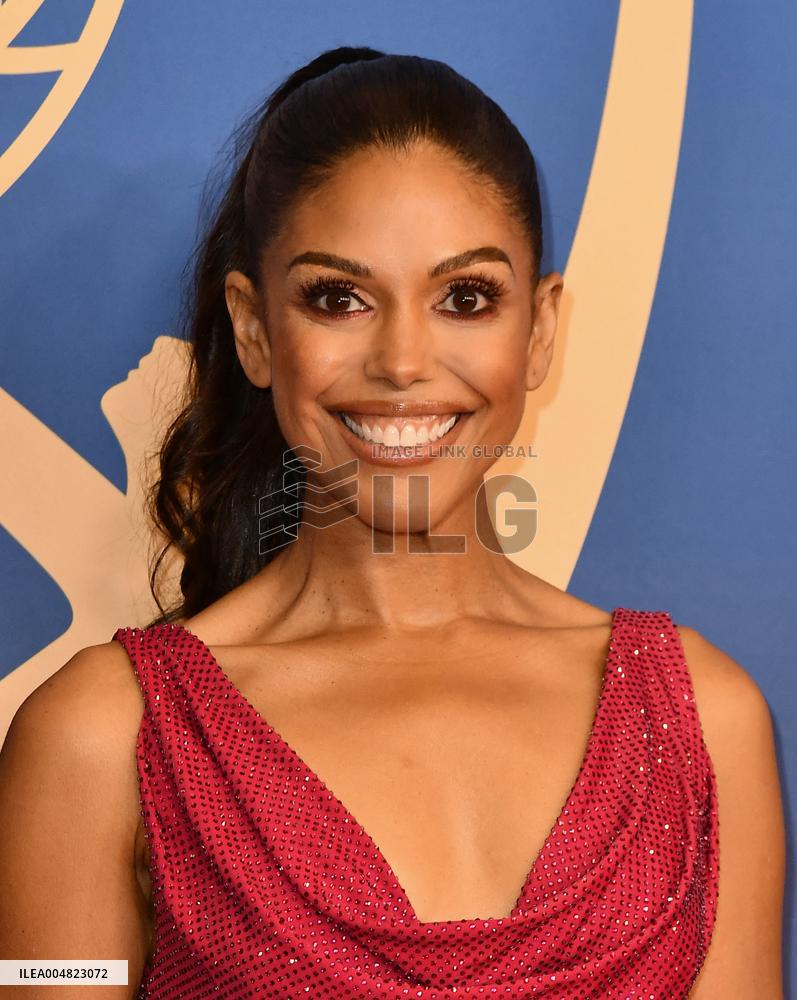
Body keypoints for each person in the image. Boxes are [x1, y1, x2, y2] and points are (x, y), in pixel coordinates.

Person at [0, 46, 785, 999]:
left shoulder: (705, 723)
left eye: (465, 298)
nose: (404, 361)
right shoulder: (92, 737)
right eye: (339, 298)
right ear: (253, 330)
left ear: (539, 332)